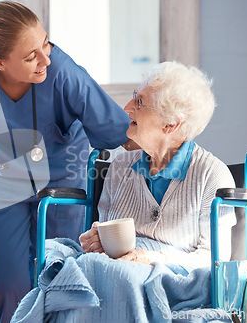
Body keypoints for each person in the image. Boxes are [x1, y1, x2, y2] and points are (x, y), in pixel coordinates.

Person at [0, 0, 136, 323]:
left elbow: (117, 131)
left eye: (45, 42)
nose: (45, 58)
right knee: (8, 285)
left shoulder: (63, 72)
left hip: (61, 177)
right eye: (30, 56)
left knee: (58, 275)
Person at [80, 61, 237, 271]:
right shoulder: (120, 167)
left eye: (140, 102)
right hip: (118, 274)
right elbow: (107, 252)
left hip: (178, 286)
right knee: (57, 255)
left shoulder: (212, 177)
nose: (127, 108)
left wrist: (154, 259)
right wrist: (99, 240)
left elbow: (214, 260)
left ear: (170, 124)